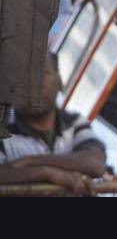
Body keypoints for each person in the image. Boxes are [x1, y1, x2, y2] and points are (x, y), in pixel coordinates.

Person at [0, 53, 105, 196]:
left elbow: (95, 164)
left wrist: (28, 162)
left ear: (60, 82)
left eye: (42, 74)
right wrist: (44, 173)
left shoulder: (73, 122)